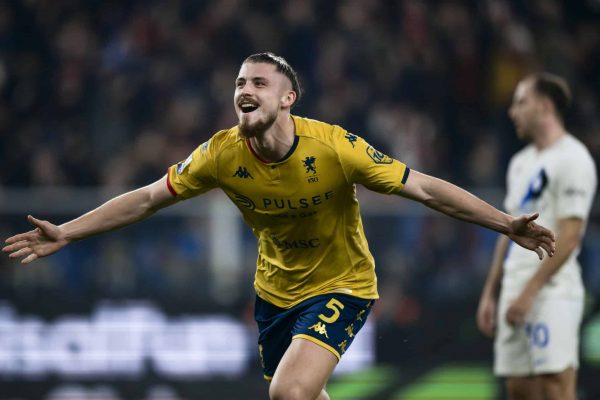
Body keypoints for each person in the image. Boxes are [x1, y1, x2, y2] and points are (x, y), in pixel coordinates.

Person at [4, 53, 556, 400]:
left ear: (288, 97)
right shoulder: (220, 154)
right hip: (273, 296)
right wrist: (69, 232)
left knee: (289, 395)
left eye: (259, 83)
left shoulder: (336, 147)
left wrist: (504, 223)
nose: (244, 89)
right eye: (240, 82)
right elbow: (148, 199)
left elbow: (425, 188)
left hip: (343, 285)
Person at [477, 73, 597, 400]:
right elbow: (508, 230)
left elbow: (570, 237)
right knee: (519, 389)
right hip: (514, 289)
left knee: (555, 385)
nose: (512, 111)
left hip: (551, 291)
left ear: (544, 106)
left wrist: (529, 293)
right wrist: (491, 292)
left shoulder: (574, 158)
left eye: (521, 102)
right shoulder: (520, 163)